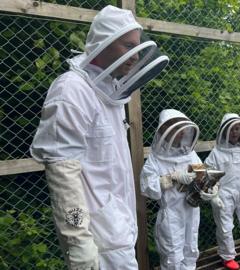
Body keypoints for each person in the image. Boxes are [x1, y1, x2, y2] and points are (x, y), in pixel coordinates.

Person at [30, 5, 168, 269]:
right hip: (97, 241)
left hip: (119, 230)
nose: (134, 57)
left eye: (137, 48)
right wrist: (78, 241)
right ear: (103, 43)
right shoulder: (72, 90)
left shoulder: (109, 93)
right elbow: (63, 173)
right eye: (127, 46)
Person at [140, 109, 223, 270]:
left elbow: (202, 175)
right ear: (164, 130)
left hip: (192, 209)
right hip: (171, 214)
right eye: (174, 127)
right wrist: (171, 178)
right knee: (172, 256)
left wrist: (209, 192)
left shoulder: (190, 154)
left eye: (182, 128)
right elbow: (147, 188)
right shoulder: (155, 159)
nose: (180, 132)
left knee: (191, 250)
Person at [205, 113, 240, 270]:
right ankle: (228, 256)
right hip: (225, 192)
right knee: (225, 226)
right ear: (224, 131)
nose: (235, 132)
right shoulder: (217, 153)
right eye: (231, 129)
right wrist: (214, 194)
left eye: (237, 128)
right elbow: (210, 175)